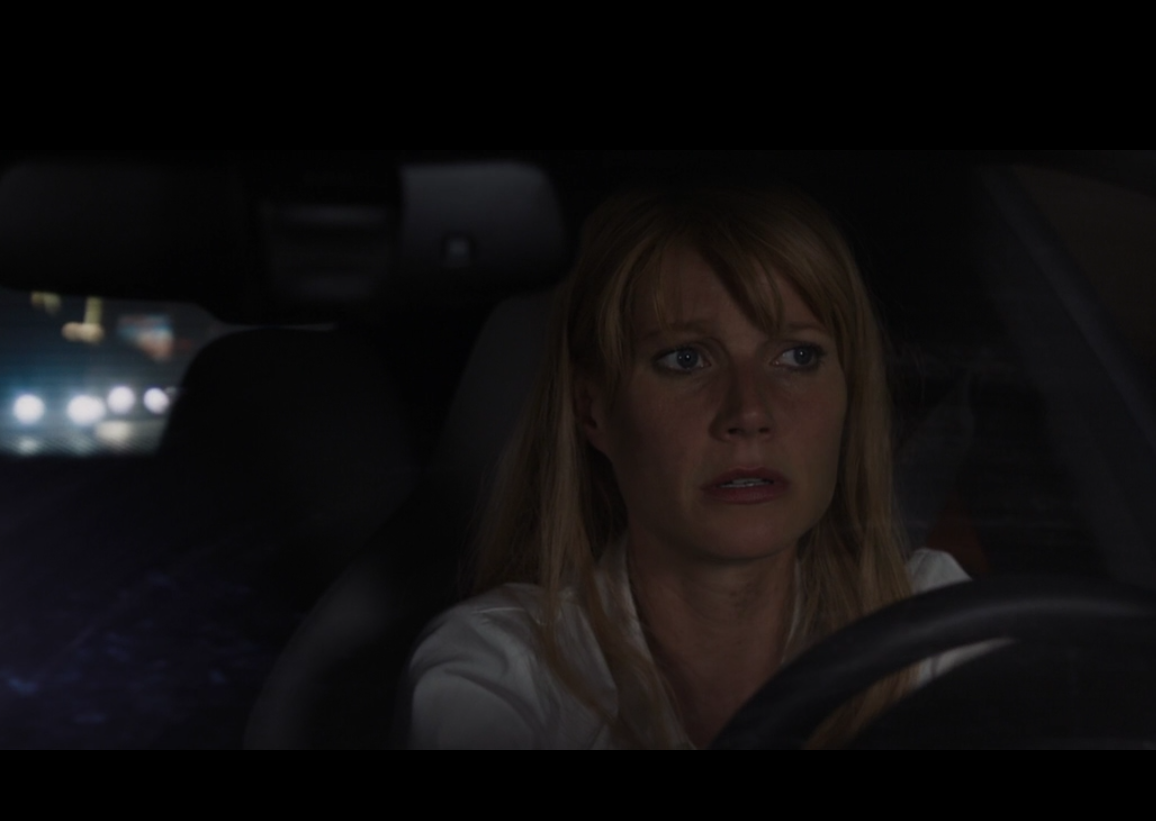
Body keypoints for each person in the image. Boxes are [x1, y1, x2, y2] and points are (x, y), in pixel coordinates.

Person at [399, 184, 976, 749]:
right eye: (686, 359)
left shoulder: (931, 622)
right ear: (593, 410)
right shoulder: (497, 668)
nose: (749, 412)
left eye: (798, 356)